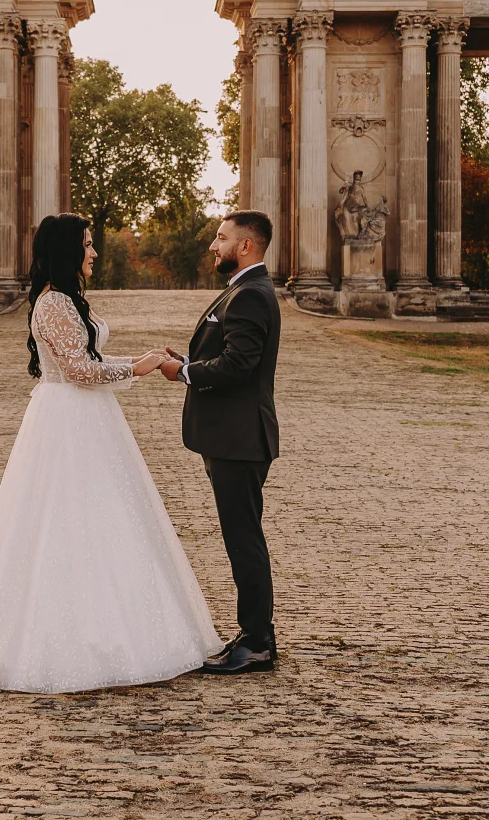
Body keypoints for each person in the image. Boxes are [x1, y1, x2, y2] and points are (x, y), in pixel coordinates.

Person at [0, 214, 218, 692]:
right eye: (87, 244)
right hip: (68, 420)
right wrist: (139, 370)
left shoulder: (69, 300)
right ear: (68, 251)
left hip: (87, 417)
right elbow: (80, 373)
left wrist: (136, 361)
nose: (94, 252)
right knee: (64, 519)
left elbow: (88, 363)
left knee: (105, 517)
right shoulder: (55, 303)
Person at [159, 210, 284, 674]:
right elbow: (229, 353)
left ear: (245, 246)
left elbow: (239, 366)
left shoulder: (251, 294)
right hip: (234, 437)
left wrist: (184, 373)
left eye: (220, 237)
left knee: (244, 540)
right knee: (241, 538)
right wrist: (190, 357)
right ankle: (254, 633)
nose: (213, 245)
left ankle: (257, 642)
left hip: (240, 438)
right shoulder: (243, 289)